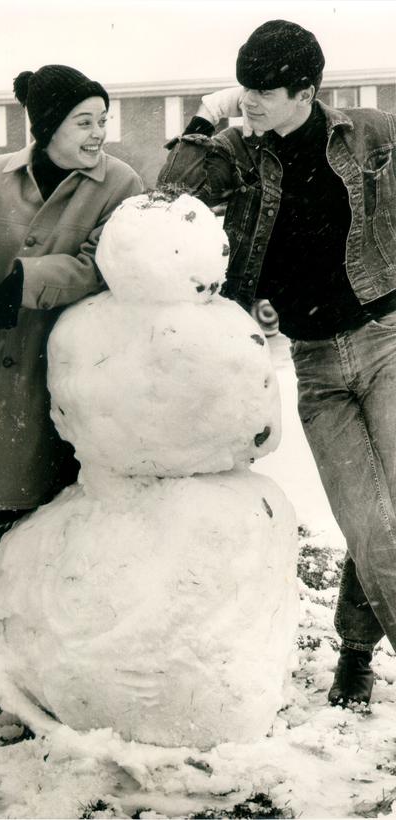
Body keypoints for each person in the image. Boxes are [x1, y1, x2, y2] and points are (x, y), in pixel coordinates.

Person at [158, 19, 396, 707]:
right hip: (317, 368)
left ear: (306, 91)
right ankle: (357, 644)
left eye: (264, 90)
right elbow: (170, 200)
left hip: (385, 344)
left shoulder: (370, 132)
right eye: (245, 88)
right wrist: (208, 116)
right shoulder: (238, 149)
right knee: (366, 521)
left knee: (389, 519)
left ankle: (355, 648)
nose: (251, 101)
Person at [0, 64, 143, 543]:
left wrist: (20, 281)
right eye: (85, 122)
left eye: (103, 120)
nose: (99, 134)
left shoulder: (122, 186)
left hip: (48, 376)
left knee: (34, 524)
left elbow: (101, 265)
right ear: (47, 126)